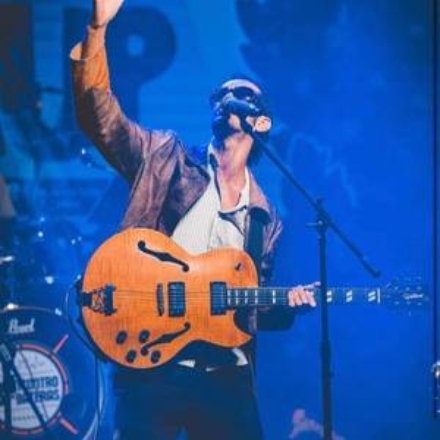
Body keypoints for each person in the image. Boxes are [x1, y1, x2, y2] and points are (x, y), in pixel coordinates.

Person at [70, 1, 317, 439]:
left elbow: (252, 308)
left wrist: (287, 305)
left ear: (261, 122)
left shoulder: (265, 218)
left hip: (226, 377)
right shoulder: (165, 159)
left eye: (240, 95)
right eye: (221, 95)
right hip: (153, 364)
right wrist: (97, 30)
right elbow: (99, 118)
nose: (226, 99)